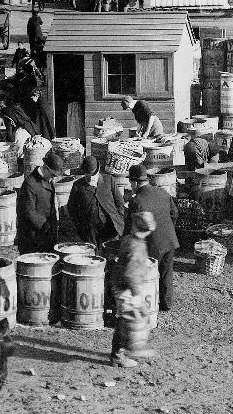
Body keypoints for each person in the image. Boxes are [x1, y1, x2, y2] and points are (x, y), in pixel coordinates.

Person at [109, 210, 159, 368]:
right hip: (127, 288)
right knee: (129, 321)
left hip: (120, 284)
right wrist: (137, 297)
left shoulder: (128, 239)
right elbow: (131, 274)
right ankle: (120, 355)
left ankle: (119, 352)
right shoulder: (137, 247)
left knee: (124, 320)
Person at [127, 164, 179, 312]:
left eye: (131, 183)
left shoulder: (136, 201)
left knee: (148, 276)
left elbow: (130, 227)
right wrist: (168, 228)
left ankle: (148, 304)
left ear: (136, 182)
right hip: (169, 240)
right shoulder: (162, 192)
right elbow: (174, 213)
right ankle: (167, 303)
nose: (131, 186)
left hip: (151, 244)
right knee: (166, 272)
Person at [67, 156, 125, 251]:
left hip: (110, 227)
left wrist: (119, 218)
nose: (89, 177)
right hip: (90, 230)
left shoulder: (109, 180)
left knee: (111, 253)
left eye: (92, 175)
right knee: (93, 255)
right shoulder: (77, 185)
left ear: (97, 172)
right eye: (87, 175)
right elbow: (71, 209)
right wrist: (80, 227)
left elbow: (119, 202)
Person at [16, 152, 65, 254]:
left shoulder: (47, 179)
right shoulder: (30, 184)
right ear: (45, 168)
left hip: (46, 234)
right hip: (33, 237)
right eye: (52, 175)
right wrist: (45, 225)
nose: (53, 178)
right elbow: (28, 212)